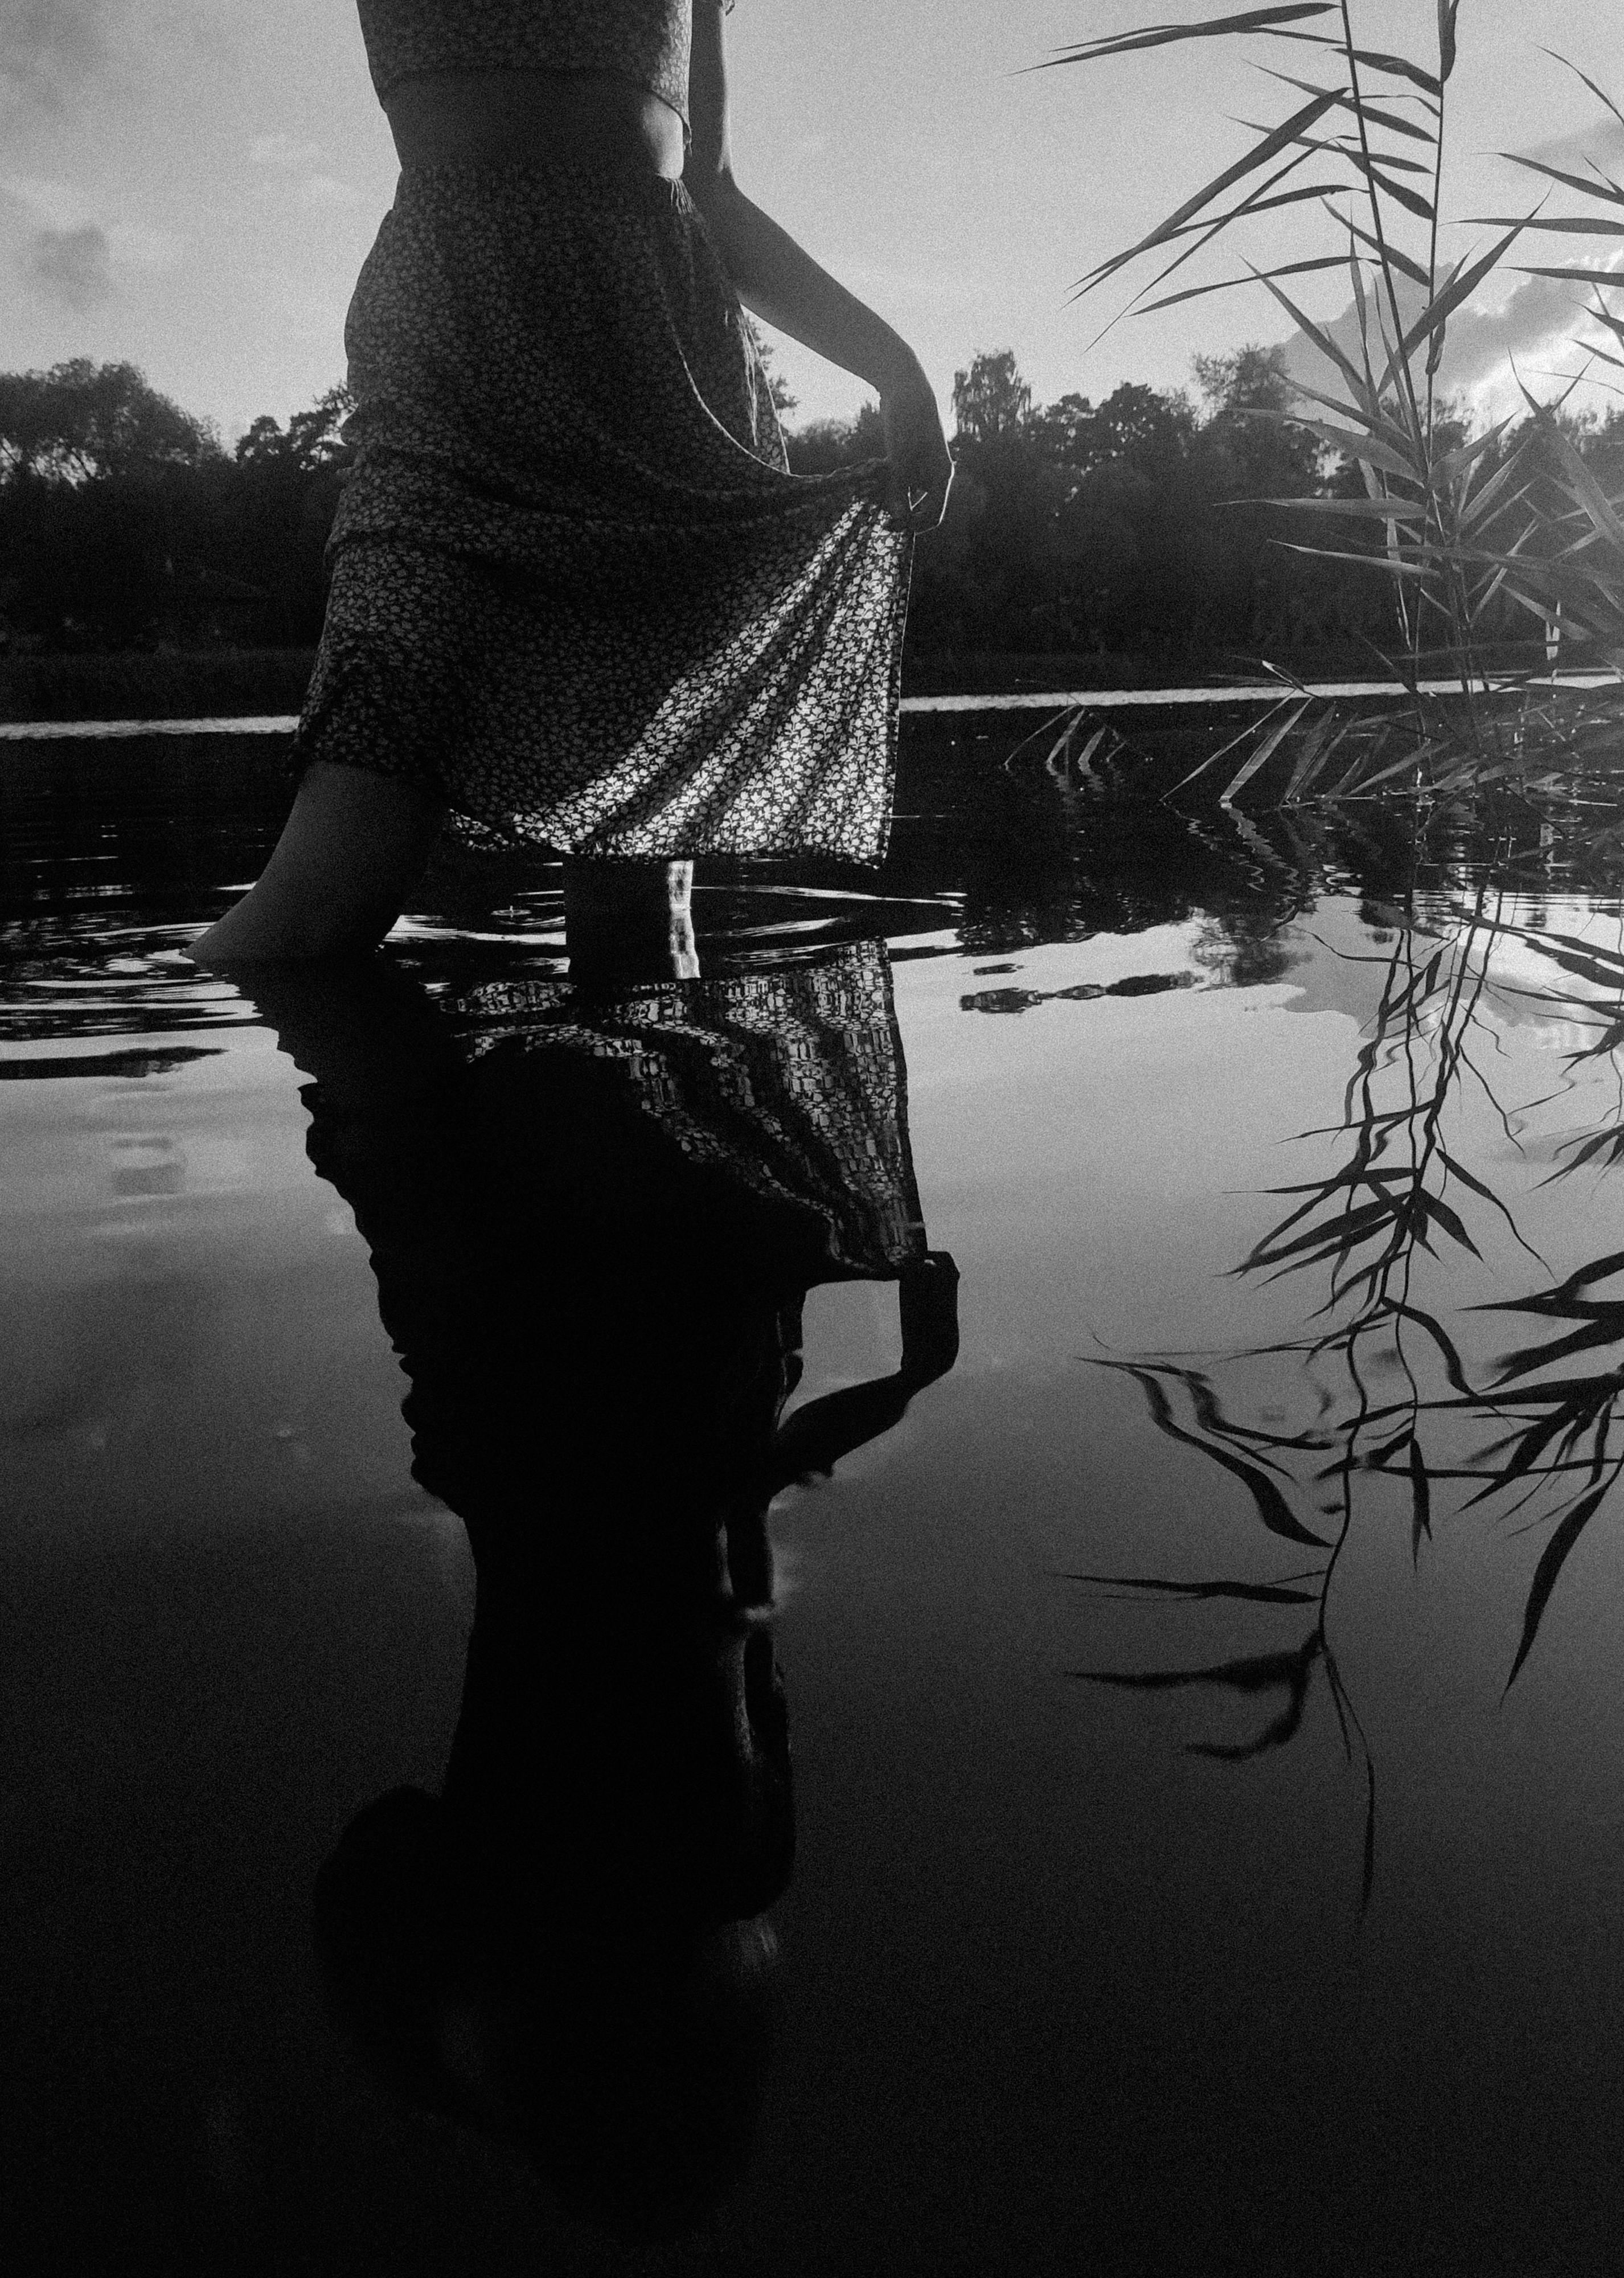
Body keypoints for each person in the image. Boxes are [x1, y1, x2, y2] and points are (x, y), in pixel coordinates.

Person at [251, 937, 959, 2228]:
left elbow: (727, 1562)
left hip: (687, 1398)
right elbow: (372, 1856)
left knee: (671, 1008)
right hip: (510, 1416)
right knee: (501, 1033)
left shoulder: (739, 1861)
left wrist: (899, 1386)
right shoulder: (495, 1910)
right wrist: (424, 2066)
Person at [194, 0, 954, 965]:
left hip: (671, 393)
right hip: (459, 364)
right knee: (320, 906)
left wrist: (896, 369)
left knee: (639, 904)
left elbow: (708, 189)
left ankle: (632, 1100)